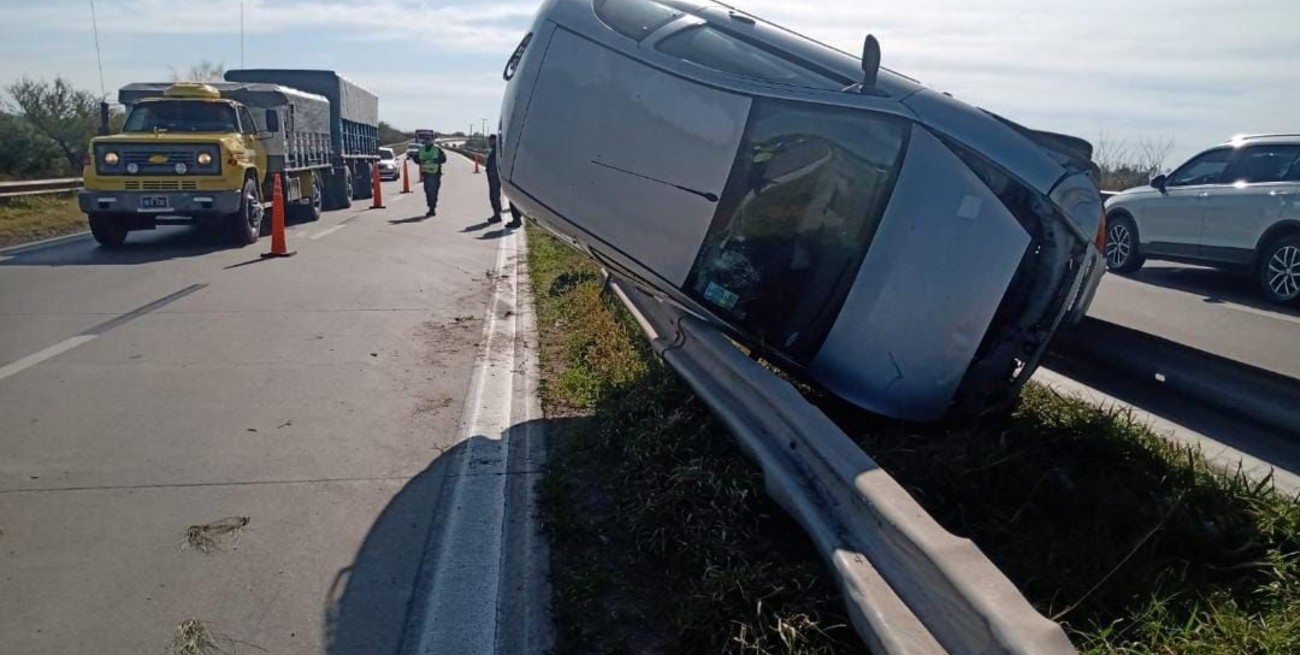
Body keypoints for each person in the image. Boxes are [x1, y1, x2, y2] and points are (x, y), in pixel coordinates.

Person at [486, 135, 523, 229]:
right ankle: (500, 216)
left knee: (508, 197)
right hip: (498, 176)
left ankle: (515, 219)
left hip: (498, 176)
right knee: (503, 197)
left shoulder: (498, 150)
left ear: (494, 141)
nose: (489, 143)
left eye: (490, 141)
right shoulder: (498, 150)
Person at [412, 134, 447, 217]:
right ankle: (430, 207)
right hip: (426, 173)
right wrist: (420, 161)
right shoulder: (422, 149)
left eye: (429, 139)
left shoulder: (437, 149)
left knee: (433, 191)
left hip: (435, 174)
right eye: (426, 139)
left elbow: (444, 158)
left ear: (432, 140)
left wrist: (435, 161)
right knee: (427, 191)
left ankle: (432, 208)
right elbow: (415, 158)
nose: (428, 141)